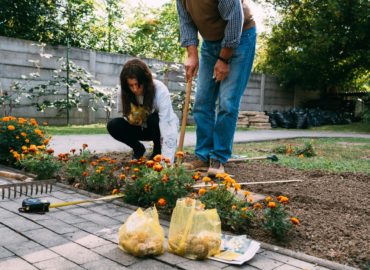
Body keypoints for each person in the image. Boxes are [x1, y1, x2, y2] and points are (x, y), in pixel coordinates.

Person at [177, 0, 257, 175]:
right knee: (202, 103)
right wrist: (191, 54)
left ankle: (218, 157)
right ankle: (203, 156)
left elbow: (235, 20)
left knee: (227, 102)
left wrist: (223, 59)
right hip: (211, 42)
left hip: (241, 37)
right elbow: (186, 22)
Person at [107, 59, 179, 162]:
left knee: (154, 119)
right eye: (131, 85)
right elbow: (123, 114)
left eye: (138, 84)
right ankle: (138, 149)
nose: (135, 89)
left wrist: (167, 160)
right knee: (113, 125)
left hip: (158, 127)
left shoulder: (159, 89)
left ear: (145, 81)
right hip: (139, 128)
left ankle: (157, 152)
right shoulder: (122, 92)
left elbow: (166, 124)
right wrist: (132, 118)